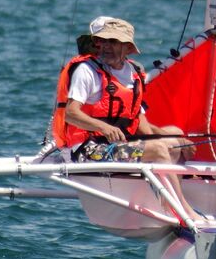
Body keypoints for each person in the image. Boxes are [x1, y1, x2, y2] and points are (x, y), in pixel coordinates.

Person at [51, 17, 185, 163]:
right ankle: (169, 185)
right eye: (103, 41)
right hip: (87, 148)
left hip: (119, 144)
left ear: (127, 47)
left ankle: (177, 181)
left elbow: (139, 124)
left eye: (113, 41)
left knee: (176, 137)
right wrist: (105, 128)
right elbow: (70, 114)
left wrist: (173, 140)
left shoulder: (134, 74)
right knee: (160, 148)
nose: (106, 46)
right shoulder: (87, 70)